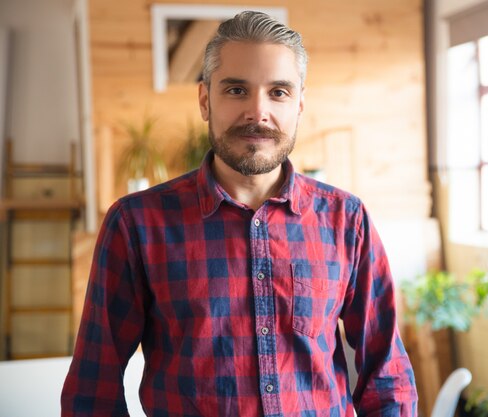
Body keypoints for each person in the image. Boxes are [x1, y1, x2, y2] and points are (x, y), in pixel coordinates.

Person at [62, 10, 418, 417]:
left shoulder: (346, 220)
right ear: (204, 101)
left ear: (299, 104)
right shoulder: (136, 224)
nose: (257, 112)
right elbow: (93, 389)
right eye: (236, 90)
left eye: (278, 92)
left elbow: (388, 378)